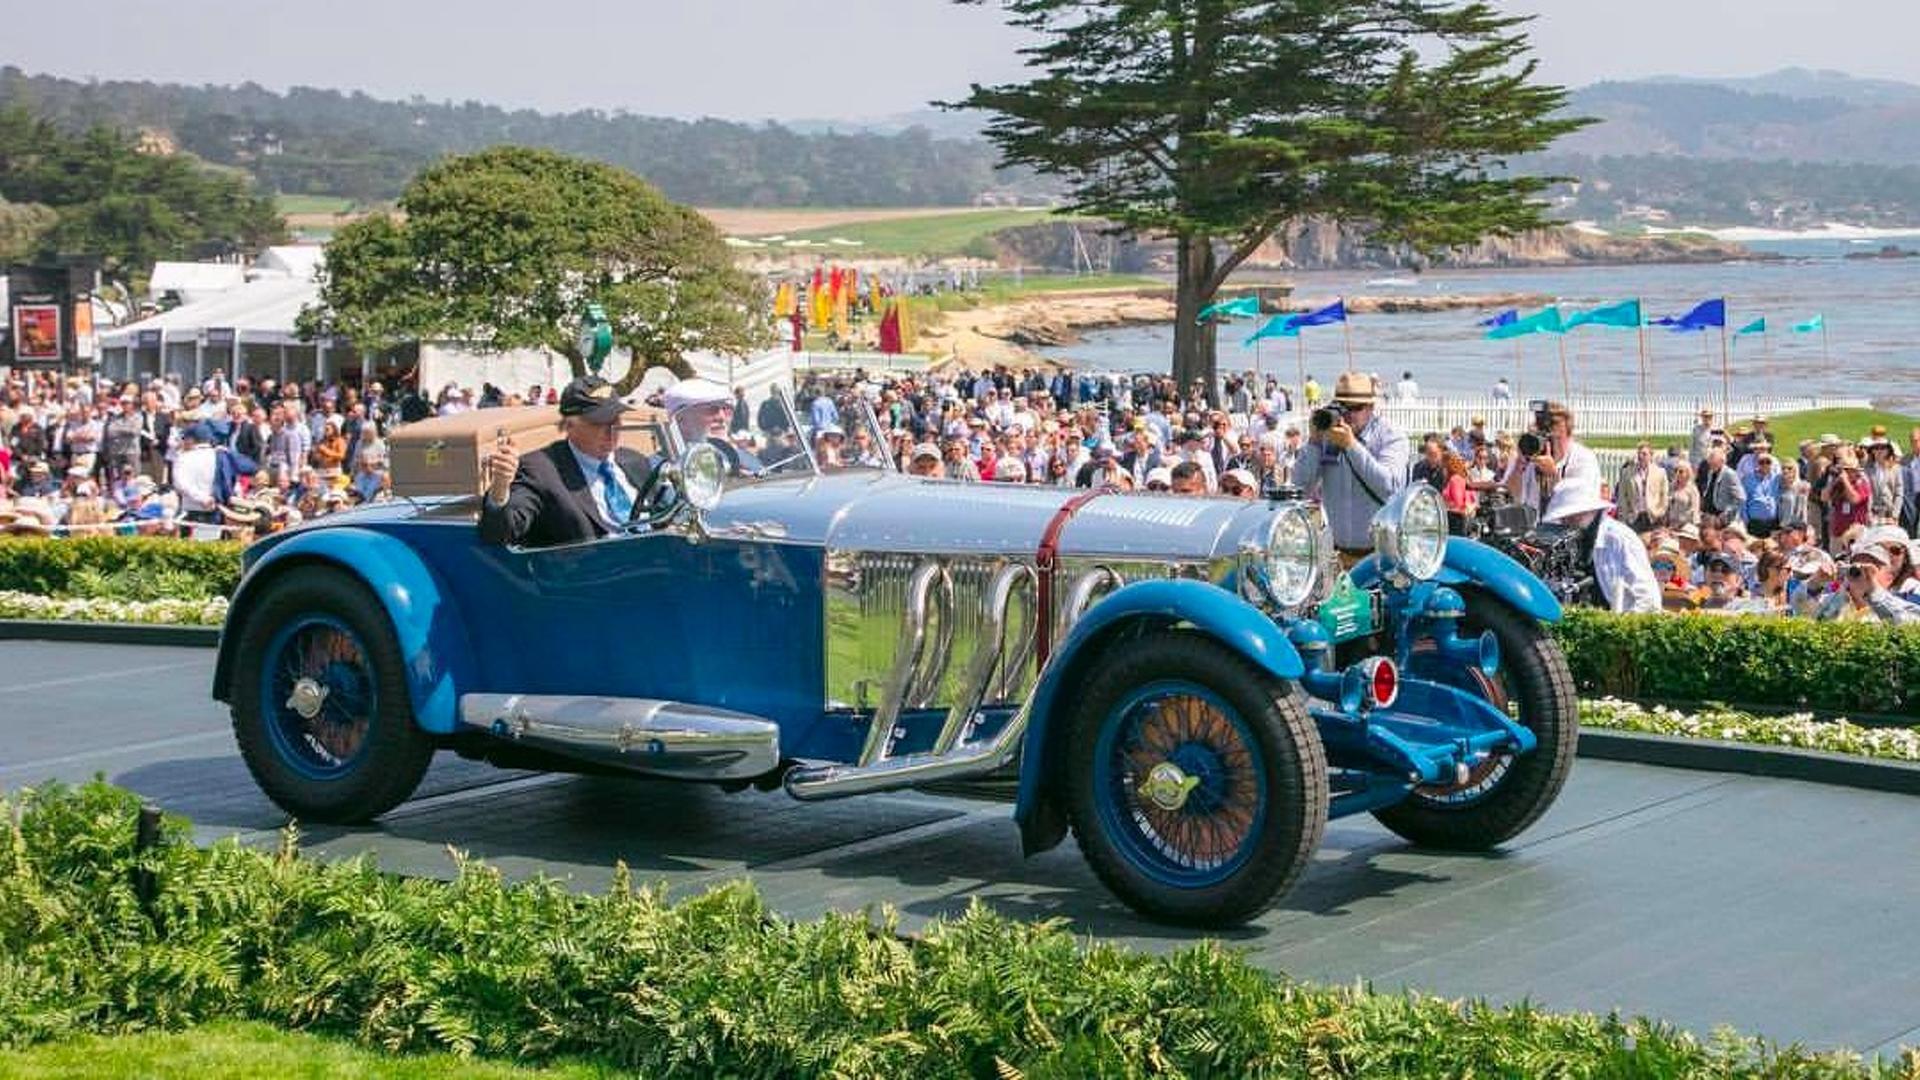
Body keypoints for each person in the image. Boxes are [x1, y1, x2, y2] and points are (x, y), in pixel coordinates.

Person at [478, 376, 654, 549]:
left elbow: (667, 514)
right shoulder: (540, 471)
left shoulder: (635, 461)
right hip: (591, 573)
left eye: (615, 419)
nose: (610, 431)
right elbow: (500, 533)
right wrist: (500, 488)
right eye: (599, 422)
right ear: (569, 425)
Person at [1290, 372, 1409, 558]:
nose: (1348, 414)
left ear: (1371, 407)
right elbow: (1300, 488)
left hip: (1380, 553)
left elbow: (1389, 486)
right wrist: (1313, 442)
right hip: (1336, 552)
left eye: (1356, 408)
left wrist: (1351, 446)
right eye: (1342, 407)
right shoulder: (1327, 435)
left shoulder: (1391, 436)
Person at [1539, 474, 1661, 614]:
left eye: (1572, 515)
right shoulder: (1569, 540)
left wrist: (1622, 626)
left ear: (1590, 510)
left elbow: (1648, 598)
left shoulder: (1619, 539)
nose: (1567, 521)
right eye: (1564, 517)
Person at [1815, 541, 1920, 625]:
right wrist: (1814, 584)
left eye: (1872, 567)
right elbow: (1804, 617)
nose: (1863, 573)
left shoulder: (1901, 605)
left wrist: (1875, 594)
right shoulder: (1831, 601)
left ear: (1890, 577)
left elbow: (1911, 626)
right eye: (1857, 566)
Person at [1614, 442, 1669, 532]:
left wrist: (1660, 511)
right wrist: (1626, 514)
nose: (1641, 456)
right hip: (1635, 516)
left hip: (1653, 516)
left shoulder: (1660, 472)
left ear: (1651, 456)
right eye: (1639, 453)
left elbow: (1664, 495)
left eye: (1644, 454)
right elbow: (1622, 495)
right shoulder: (1627, 472)